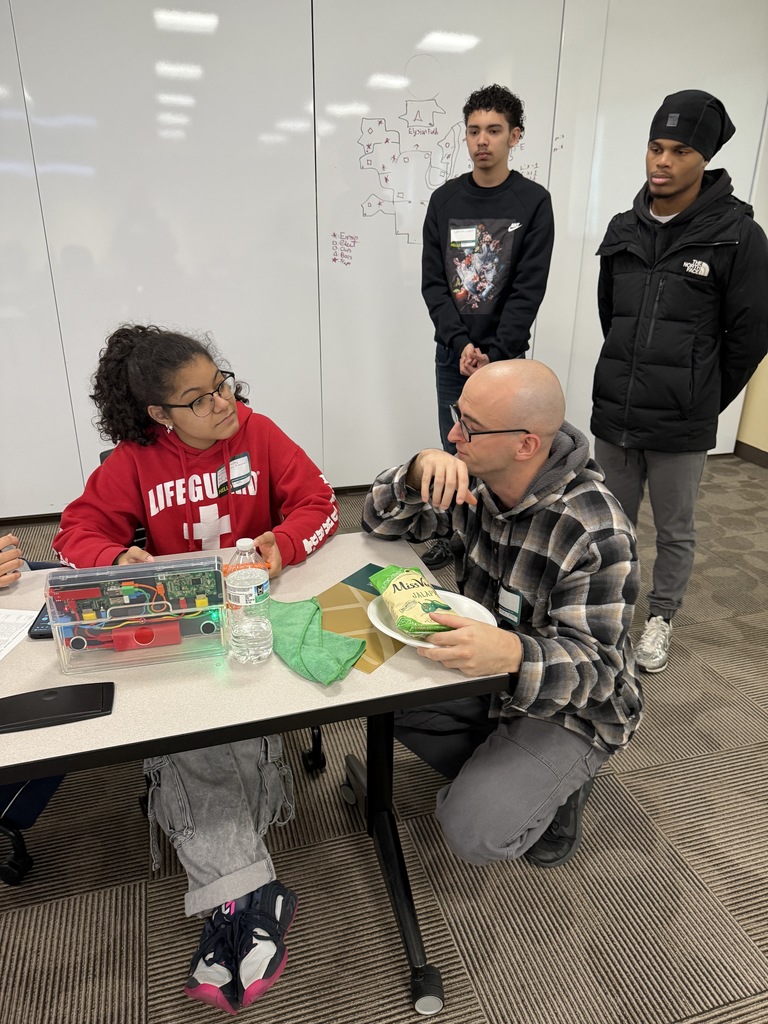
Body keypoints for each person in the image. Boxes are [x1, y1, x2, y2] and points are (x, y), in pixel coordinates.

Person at [53, 324, 339, 1015]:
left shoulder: (260, 433)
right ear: (159, 414)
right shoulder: (135, 461)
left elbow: (321, 504)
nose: (223, 403)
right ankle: (248, 896)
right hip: (191, 626)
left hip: (257, 614)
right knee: (192, 727)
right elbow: (73, 533)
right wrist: (116, 558)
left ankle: (227, 912)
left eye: (222, 383)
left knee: (190, 743)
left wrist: (282, 543)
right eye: (199, 397)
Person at [362, 359, 641, 869]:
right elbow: (378, 526)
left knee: (474, 832)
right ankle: (509, 766)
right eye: (456, 414)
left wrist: (512, 652)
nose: (451, 434)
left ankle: (559, 782)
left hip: (569, 705)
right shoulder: (478, 479)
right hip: (487, 671)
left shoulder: (594, 529)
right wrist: (413, 473)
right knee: (376, 693)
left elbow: (601, 674)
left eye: (468, 426)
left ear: (526, 444)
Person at [591, 89, 768, 673]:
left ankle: (661, 616)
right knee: (610, 524)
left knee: (675, 529)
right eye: (654, 147)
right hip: (616, 408)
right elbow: (609, 314)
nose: (662, 161)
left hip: (683, 419)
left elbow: (748, 337)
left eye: (680, 151)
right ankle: (610, 611)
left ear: (706, 159)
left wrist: (703, 398)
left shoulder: (739, 237)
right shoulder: (623, 228)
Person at [421, 83, 555, 568]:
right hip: (452, 355)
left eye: (494, 131)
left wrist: (495, 352)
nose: (482, 140)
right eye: (474, 130)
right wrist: (459, 344)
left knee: (499, 457)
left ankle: (498, 542)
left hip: (505, 361)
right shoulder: (444, 200)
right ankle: (454, 535)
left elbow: (528, 288)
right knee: (456, 449)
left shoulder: (533, 202)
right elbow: (434, 284)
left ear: (514, 136)